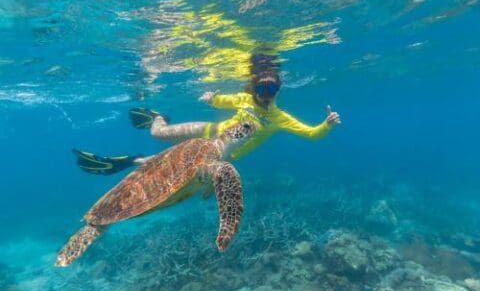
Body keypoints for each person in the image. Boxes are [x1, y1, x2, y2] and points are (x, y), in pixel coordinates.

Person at [74, 53, 341, 174]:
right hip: (207, 131)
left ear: (279, 89)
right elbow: (223, 101)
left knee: (158, 165)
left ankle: (128, 161)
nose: (266, 92)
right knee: (158, 133)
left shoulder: (281, 119)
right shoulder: (245, 98)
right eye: (262, 86)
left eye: (272, 87)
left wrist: (326, 124)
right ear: (255, 87)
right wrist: (212, 98)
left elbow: (312, 134)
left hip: (222, 152)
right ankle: (156, 116)